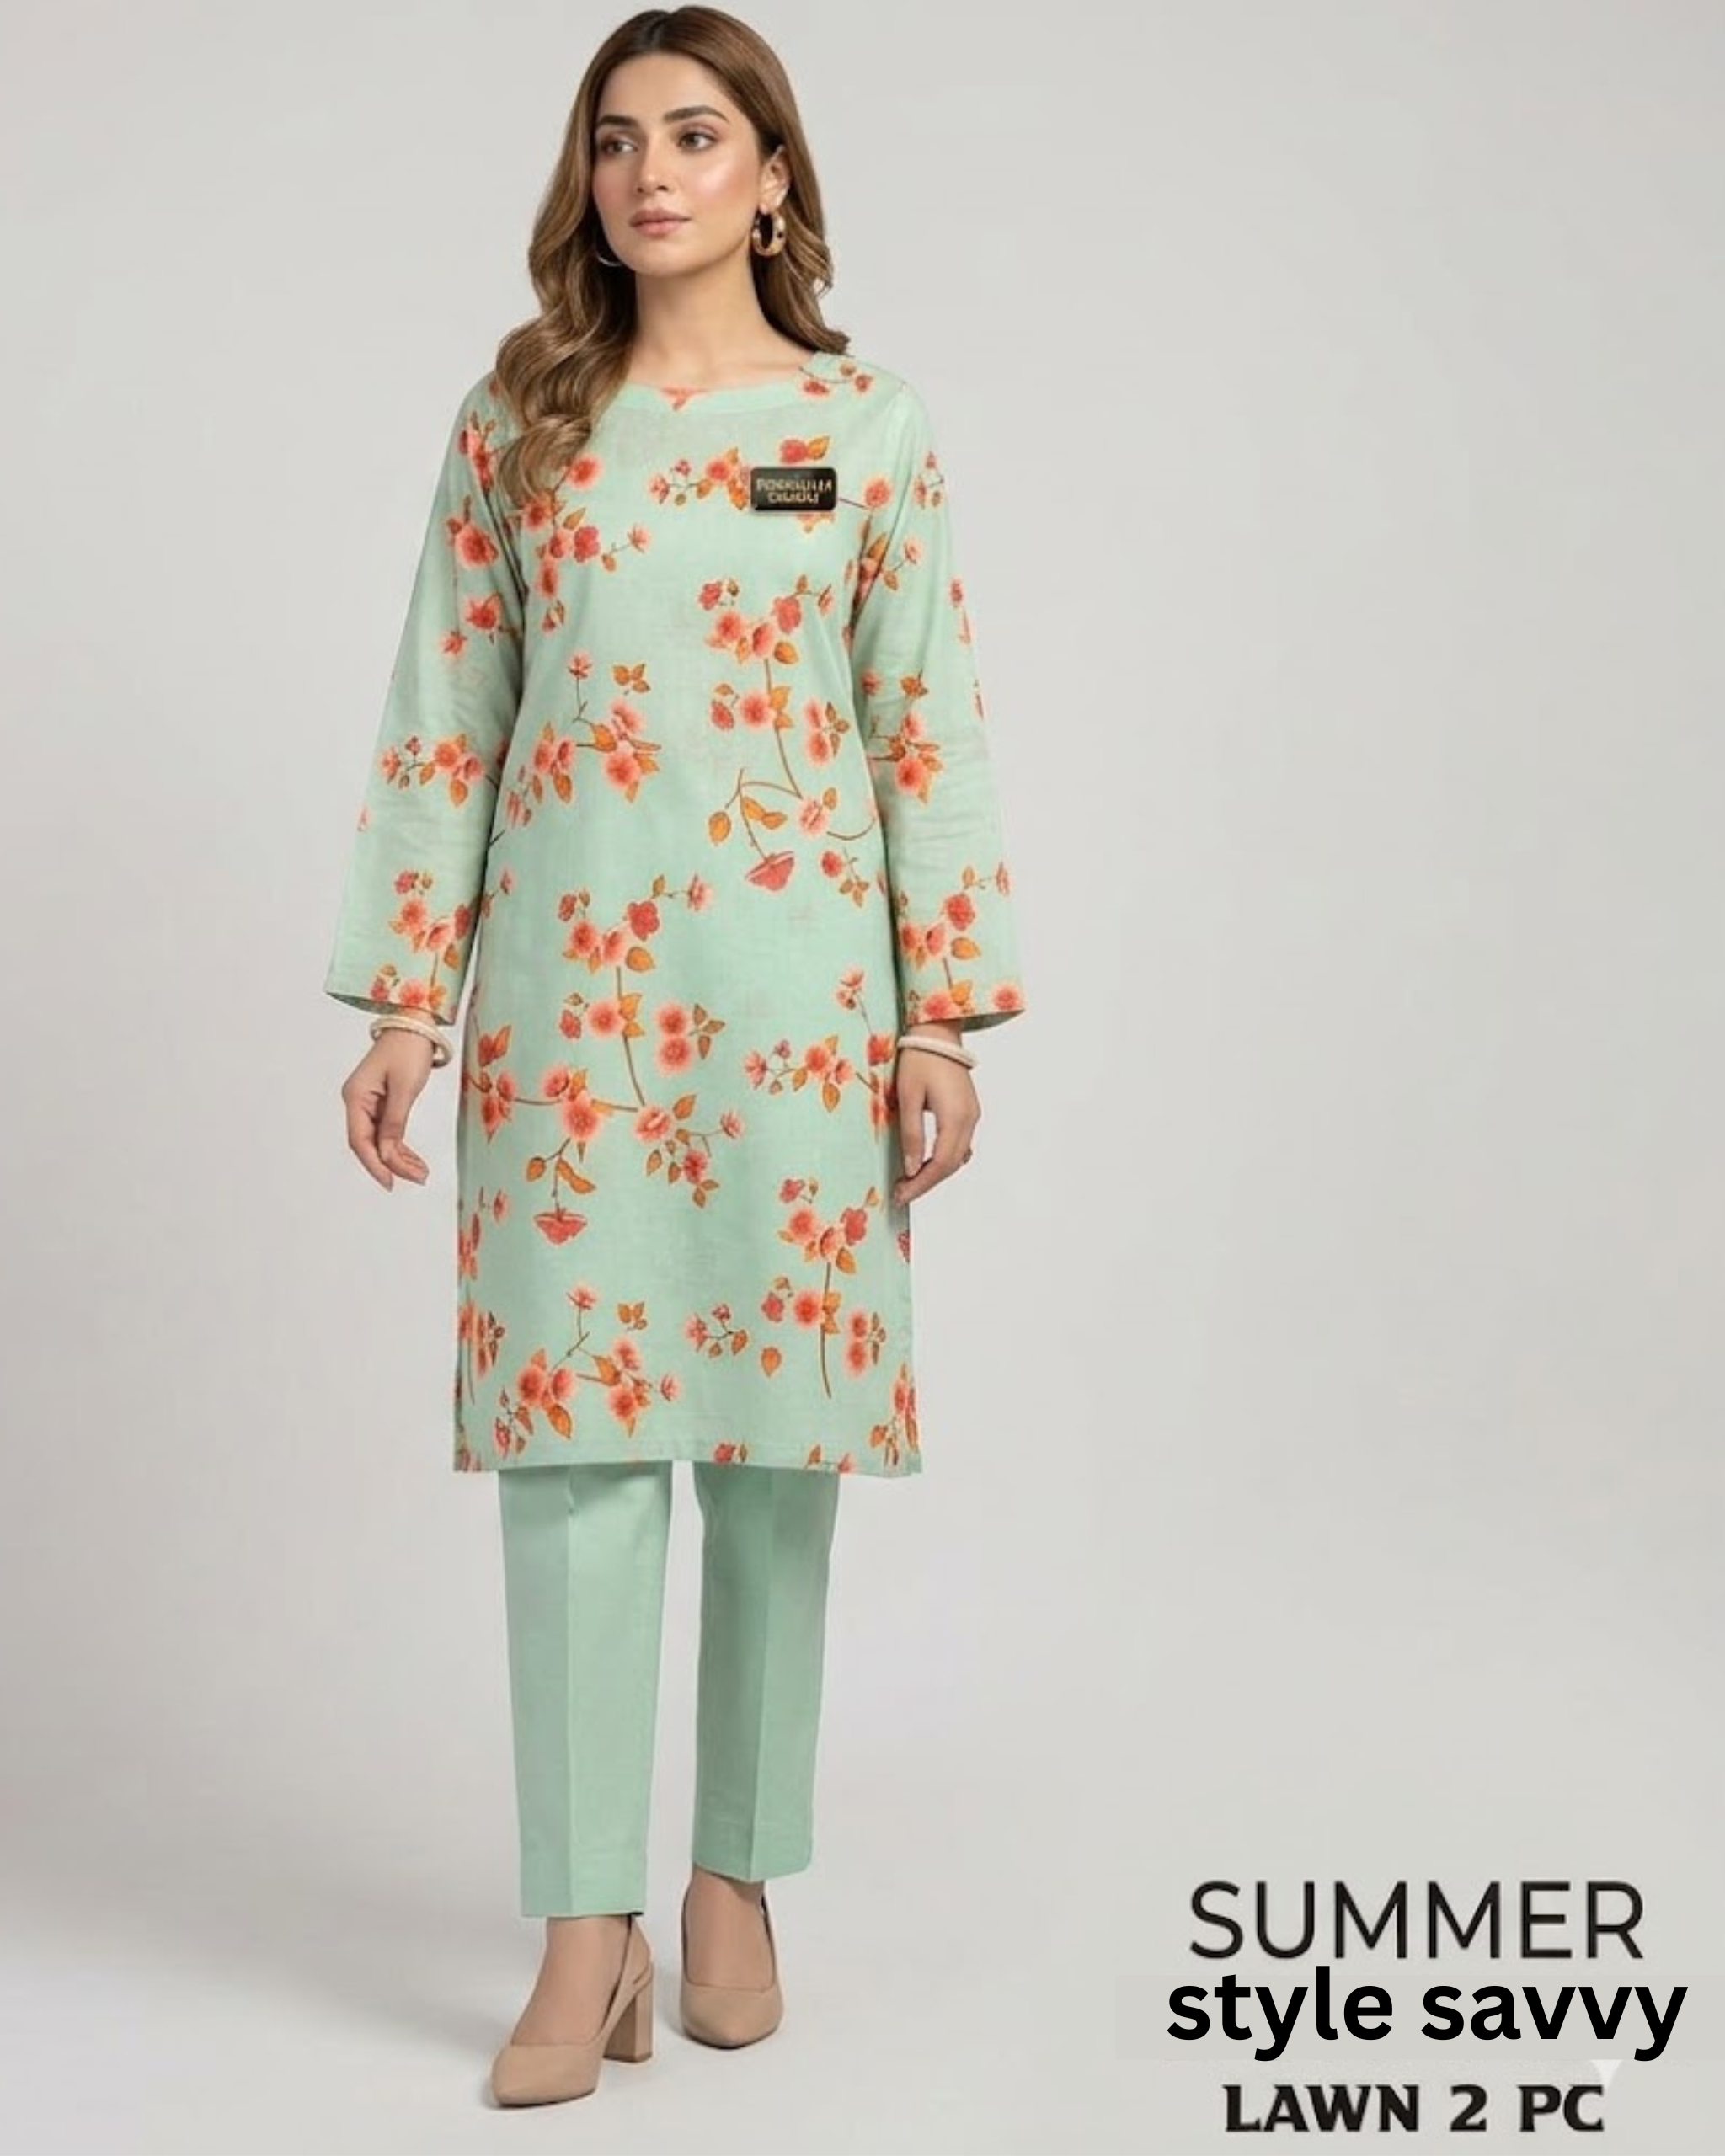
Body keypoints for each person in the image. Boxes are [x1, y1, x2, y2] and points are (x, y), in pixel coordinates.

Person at [323, 2, 1027, 2111]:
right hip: (568, 1016)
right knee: (570, 1459)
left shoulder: (864, 427)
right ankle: (582, 1924)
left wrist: (938, 1013)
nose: (652, 172)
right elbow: (444, 712)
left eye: (698, 135)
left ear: (772, 178)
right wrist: (407, 997)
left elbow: (924, 723)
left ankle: (734, 1878)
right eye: (619, 138)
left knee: (777, 1456)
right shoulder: (519, 425)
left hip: (802, 1014)